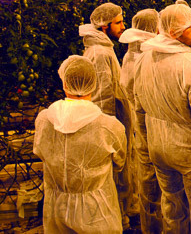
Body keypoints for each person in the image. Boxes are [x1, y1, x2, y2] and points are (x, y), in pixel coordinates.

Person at [134, 4, 191, 233]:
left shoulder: (143, 60)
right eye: (190, 27)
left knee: (172, 207)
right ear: (174, 33)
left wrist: (145, 145)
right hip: (190, 152)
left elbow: (139, 108)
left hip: (157, 146)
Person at [34, 55, 126, 233]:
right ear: (94, 84)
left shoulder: (44, 120)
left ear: (64, 83)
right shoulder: (110, 126)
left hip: (56, 210)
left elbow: (40, 152)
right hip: (97, 212)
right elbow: (119, 163)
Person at [79, 2, 134, 229]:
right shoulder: (100, 53)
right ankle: (118, 219)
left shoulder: (103, 47)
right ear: (104, 26)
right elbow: (103, 97)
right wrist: (109, 132)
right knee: (114, 175)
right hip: (110, 122)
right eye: (118, 22)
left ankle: (120, 215)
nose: (123, 26)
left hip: (115, 120)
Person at [119, 9, 161, 234]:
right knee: (152, 176)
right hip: (147, 121)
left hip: (139, 120)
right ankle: (155, 223)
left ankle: (149, 223)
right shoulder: (147, 56)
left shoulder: (131, 54)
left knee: (146, 173)